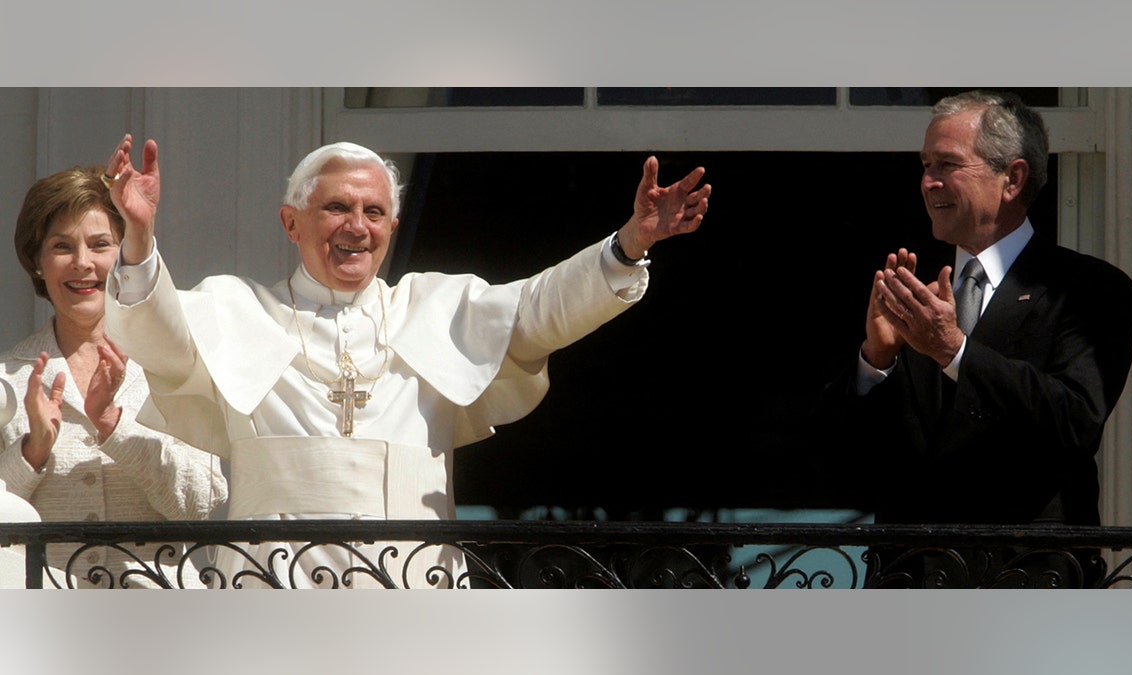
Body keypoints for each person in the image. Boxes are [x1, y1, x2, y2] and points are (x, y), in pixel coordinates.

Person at [103, 135, 711, 588]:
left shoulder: (436, 308)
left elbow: (540, 307)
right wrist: (136, 237)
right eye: (336, 208)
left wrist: (628, 247)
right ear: (291, 222)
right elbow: (160, 338)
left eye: (373, 213)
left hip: (415, 583)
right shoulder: (237, 308)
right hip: (268, 581)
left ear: (392, 226)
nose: (356, 227)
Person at [820, 91, 1132, 587]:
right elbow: (845, 463)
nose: (928, 182)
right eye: (925, 165)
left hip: (1028, 584)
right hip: (908, 588)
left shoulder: (1087, 289)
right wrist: (876, 360)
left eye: (947, 164)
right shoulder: (910, 287)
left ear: (1011, 178)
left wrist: (954, 351)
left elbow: (1075, 420)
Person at [0, 165, 229, 589]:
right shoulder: (8, 379)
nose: (82, 263)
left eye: (100, 245)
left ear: (125, 255)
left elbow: (200, 503)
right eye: (62, 246)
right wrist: (31, 452)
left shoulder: (172, 365)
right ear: (37, 261)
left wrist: (113, 427)